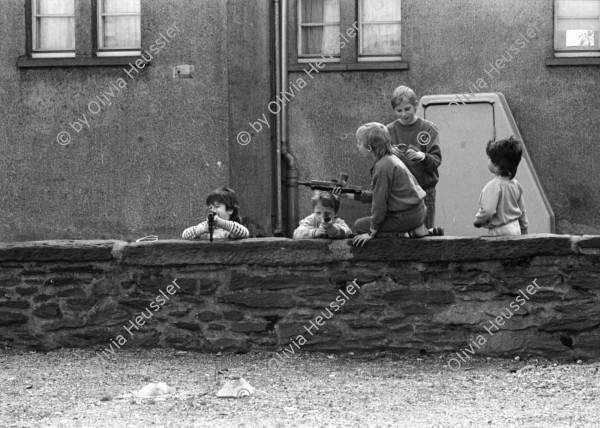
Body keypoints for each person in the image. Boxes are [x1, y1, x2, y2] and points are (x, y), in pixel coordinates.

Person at [344, 122, 430, 247]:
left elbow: (379, 203)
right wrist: (348, 195)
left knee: (360, 226)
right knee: (366, 224)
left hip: (407, 216)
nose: (357, 146)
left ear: (369, 148)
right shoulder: (388, 159)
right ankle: (414, 230)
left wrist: (371, 232)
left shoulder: (382, 167)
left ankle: (406, 233)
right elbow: (376, 194)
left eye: (359, 142)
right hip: (417, 212)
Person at [387, 85, 442, 230]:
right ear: (394, 110)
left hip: (425, 190)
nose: (404, 114)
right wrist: (389, 152)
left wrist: (422, 156)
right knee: (404, 234)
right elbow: (380, 160)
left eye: (407, 109)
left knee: (426, 232)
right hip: (400, 193)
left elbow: (436, 160)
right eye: (399, 110)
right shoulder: (389, 131)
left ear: (415, 105)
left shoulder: (428, 128)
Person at [474, 136, 529, 236]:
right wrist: (524, 229)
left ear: (497, 164)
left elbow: (488, 211)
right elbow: (522, 210)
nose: (488, 160)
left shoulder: (493, 186)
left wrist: (478, 220)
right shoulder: (515, 185)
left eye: (489, 158)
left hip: (499, 231)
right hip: (516, 229)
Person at [182, 187, 249, 240]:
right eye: (210, 207)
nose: (213, 210)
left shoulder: (231, 229)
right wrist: (203, 229)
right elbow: (185, 234)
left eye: (217, 206)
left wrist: (221, 223)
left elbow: (244, 233)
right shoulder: (207, 226)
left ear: (230, 209)